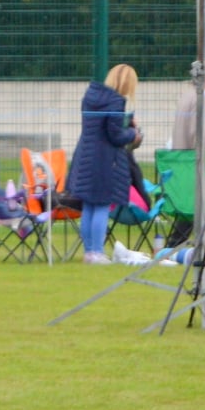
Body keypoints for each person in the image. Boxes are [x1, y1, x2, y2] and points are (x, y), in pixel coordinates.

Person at [67, 63, 142, 264]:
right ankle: (98, 252)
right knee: (101, 204)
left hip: (85, 156)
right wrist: (133, 133)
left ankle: (89, 251)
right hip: (104, 160)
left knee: (89, 205)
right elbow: (115, 135)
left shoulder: (91, 97)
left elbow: (100, 127)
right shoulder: (116, 102)